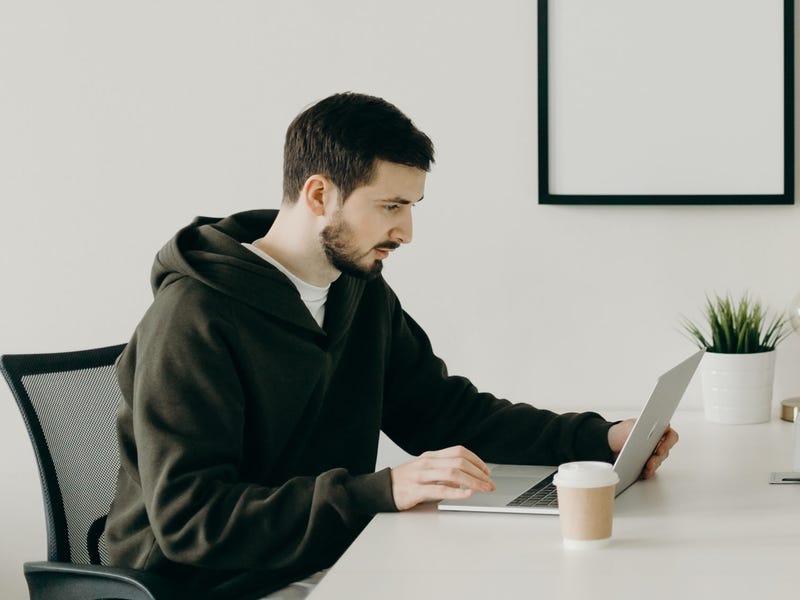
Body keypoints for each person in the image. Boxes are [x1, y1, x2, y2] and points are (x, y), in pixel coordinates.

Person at [105, 92, 677, 598]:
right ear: (319, 194)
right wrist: (381, 491)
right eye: (390, 206)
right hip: (206, 586)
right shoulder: (194, 317)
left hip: (325, 561)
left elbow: (446, 414)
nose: (405, 232)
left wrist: (599, 438)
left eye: (410, 207)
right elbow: (191, 521)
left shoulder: (358, 292)